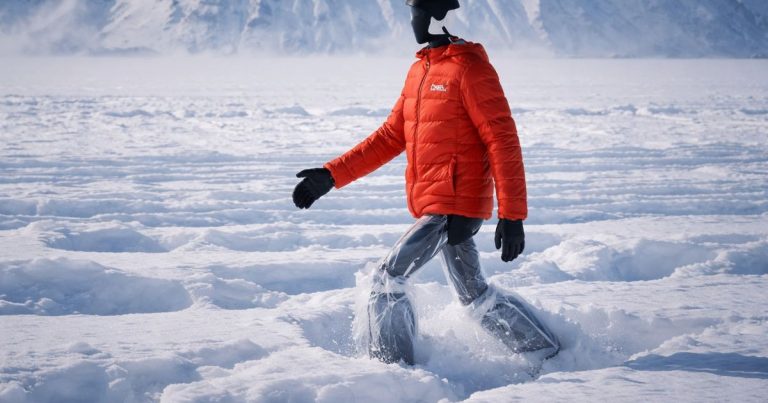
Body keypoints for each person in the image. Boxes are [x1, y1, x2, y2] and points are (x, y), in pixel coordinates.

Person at [293, 0, 559, 365]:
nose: (412, 21)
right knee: (475, 296)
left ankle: (393, 371)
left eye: (417, 12)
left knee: (387, 280)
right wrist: (331, 175)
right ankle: (547, 353)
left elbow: (502, 140)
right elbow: (391, 136)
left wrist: (512, 215)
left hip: (453, 204)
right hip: (437, 203)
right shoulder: (420, 70)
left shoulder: (471, 69)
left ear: (438, 15)